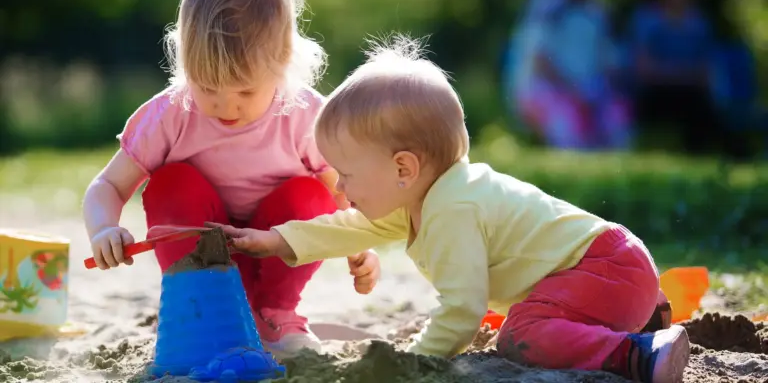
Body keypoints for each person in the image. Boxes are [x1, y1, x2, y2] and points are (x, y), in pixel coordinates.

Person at [210, 35, 690, 383]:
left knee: (521, 335)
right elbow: (352, 227)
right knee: (529, 320)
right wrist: (278, 240)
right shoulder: (424, 195)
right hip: (614, 273)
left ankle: (636, 353)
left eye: (348, 173)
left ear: (403, 167)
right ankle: (641, 318)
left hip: (605, 270)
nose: (340, 184)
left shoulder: (453, 208)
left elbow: (462, 310)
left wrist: (417, 362)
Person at [82, 0, 381, 359]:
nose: (225, 105)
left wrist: (360, 242)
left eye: (244, 91)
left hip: (275, 256)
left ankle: (274, 314)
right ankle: (201, 307)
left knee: (309, 194)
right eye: (206, 86)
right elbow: (108, 185)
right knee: (171, 182)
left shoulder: (307, 117)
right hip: (201, 254)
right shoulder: (170, 114)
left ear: (283, 62)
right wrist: (104, 228)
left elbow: (344, 191)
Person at [513, 0, 632, 150]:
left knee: (616, 117)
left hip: (590, 93)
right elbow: (540, 61)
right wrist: (574, 92)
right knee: (567, 123)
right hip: (546, 90)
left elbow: (610, 61)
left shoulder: (598, 11)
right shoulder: (546, 5)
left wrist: (597, 92)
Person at [629, 0, 719, 154]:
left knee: (702, 105)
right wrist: (683, 74)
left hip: (690, 93)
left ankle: (702, 155)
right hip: (655, 93)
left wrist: (675, 74)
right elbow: (644, 69)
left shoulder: (698, 22)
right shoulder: (646, 19)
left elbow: (706, 71)